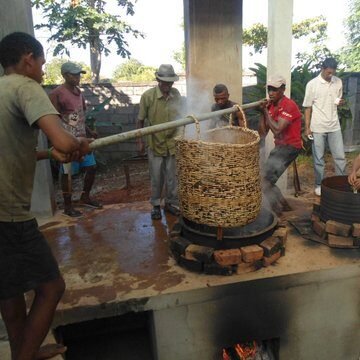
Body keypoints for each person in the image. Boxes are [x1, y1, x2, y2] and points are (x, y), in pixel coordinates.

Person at [0, 32, 90, 360]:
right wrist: (78, 145)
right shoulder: (26, 87)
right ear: (27, 59)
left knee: (8, 292)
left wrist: (50, 155)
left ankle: (24, 349)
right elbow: (66, 142)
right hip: (8, 214)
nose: (41, 70)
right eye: (40, 63)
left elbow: (13, 150)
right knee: (52, 288)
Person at [49, 62, 102, 217]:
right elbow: (52, 119)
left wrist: (89, 131)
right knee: (67, 173)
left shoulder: (79, 93)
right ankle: (67, 205)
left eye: (79, 74)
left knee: (91, 167)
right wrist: (57, 139)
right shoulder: (57, 94)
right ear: (65, 75)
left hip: (82, 139)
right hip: (67, 140)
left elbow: (79, 117)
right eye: (74, 74)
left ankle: (85, 196)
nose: (78, 77)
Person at [136, 64, 183, 220]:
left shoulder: (176, 94)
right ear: (158, 80)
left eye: (170, 82)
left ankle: (171, 203)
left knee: (172, 176)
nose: (168, 85)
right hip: (155, 143)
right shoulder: (148, 97)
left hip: (173, 143)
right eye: (165, 82)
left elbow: (182, 116)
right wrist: (140, 142)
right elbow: (140, 121)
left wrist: (183, 136)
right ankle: (156, 205)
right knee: (157, 177)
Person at [259, 75, 302, 215]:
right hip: (281, 147)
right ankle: (285, 206)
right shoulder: (270, 106)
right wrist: (262, 112)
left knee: (264, 181)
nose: (271, 93)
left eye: (275, 90)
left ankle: (277, 213)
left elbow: (277, 128)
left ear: (283, 89)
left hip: (291, 147)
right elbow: (263, 132)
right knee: (267, 180)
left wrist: (265, 111)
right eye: (269, 89)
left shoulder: (289, 105)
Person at [303, 57, 346, 196]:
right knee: (319, 159)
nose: (330, 75)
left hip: (334, 126)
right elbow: (308, 107)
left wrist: (339, 102)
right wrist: (307, 127)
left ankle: (341, 183)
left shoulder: (338, 82)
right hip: (318, 127)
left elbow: (335, 99)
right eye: (328, 72)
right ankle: (319, 185)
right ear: (322, 68)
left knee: (340, 157)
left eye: (332, 72)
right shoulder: (312, 84)